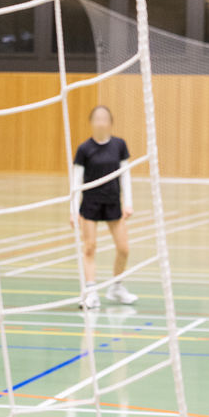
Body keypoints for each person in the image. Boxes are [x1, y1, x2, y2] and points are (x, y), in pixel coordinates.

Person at [71, 105, 137, 309]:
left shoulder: (119, 145)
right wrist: (73, 211)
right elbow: (76, 181)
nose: (100, 122)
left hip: (112, 203)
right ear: (91, 123)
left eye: (104, 118)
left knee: (124, 248)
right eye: (97, 118)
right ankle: (91, 293)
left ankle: (116, 287)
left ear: (110, 122)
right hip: (90, 204)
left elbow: (125, 175)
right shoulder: (84, 149)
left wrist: (128, 203)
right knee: (89, 248)